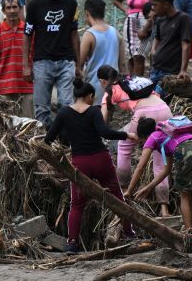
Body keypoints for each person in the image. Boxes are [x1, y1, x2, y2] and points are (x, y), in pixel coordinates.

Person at [43, 76, 137, 253]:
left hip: (80, 163)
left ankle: (72, 243)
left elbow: (49, 139)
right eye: (93, 97)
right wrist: (126, 135)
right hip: (101, 159)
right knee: (117, 197)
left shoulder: (63, 112)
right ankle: (129, 232)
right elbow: (105, 132)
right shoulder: (94, 111)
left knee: (77, 205)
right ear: (89, 95)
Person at [98, 65, 172, 217]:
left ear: (102, 81)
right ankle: (164, 208)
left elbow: (102, 120)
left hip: (144, 114)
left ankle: (123, 189)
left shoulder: (110, 90)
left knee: (124, 144)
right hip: (165, 111)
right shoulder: (134, 80)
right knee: (160, 159)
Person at [132, 116, 192, 237]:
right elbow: (166, 170)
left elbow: (140, 167)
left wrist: (129, 190)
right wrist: (149, 187)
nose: (143, 143)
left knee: (185, 195)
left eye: (142, 141)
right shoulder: (168, 136)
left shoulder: (153, 136)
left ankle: (188, 234)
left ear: (144, 136)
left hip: (185, 151)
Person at [24, 0, 80, 129]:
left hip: (66, 61)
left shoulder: (71, 3)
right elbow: (27, 35)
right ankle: (46, 141)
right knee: (41, 108)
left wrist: (79, 64)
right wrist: (26, 65)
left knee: (66, 104)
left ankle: (66, 140)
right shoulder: (34, 6)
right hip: (42, 62)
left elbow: (74, 34)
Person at [0, 0, 34, 117]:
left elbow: (35, 56)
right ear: (3, 10)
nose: (12, 11)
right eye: (8, 8)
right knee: (9, 128)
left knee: (29, 126)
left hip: (28, 86)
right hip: (5, 88)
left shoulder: (29, 32)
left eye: (14, 7)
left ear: (20, 8)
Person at [145, 0, 192, 89]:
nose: (153, 8)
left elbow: (186, 45)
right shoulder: (160, 19)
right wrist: (153, 50)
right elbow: (157, 37)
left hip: (169, 73)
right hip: (155, 70)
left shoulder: (183, 18)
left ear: (166, 4)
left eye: (155, 5)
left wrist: (183, 70)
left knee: (157, 100)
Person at [112, 0, 156, 76]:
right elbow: (115, 0)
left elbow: (158, 4)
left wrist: (147, 27)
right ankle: (132, 82)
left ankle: (138, 85)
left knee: (139, 55)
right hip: (131, 23)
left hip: (147, 23)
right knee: (131, 55)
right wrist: (125, 10)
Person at [79, 0, 119, 97]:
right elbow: (122, 65)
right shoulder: (115, 32)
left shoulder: (89, 35)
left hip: (93, 90)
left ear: (87, 13)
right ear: (103, 12)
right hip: (112, 90)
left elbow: (80, 64)